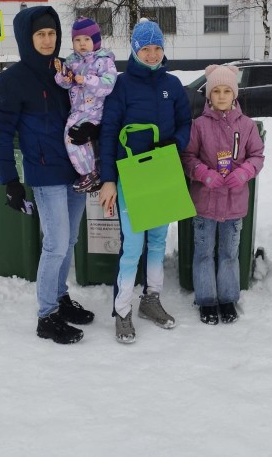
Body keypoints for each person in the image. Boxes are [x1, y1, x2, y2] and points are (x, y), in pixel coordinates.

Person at [0, 5, 94, 345]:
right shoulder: (12, 80)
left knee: (70, 241)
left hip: (75, 170)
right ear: (26, 38)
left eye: (51, 33)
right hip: (44, 173)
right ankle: (46, 315)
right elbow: (0, 133)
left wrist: (90, 129)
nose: (48, 40)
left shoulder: (66, 71)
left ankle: (60, 298)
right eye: (40, 35)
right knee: (56, 244)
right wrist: (10, 181)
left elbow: (88, 107)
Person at [98, 19, 192, 344]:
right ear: (135, 50)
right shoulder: (121, 86)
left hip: (162, 173)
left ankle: (150, 300)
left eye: (157, 48)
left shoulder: (173, 85)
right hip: (131, 176)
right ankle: (122, 309)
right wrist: (108, 180)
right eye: (145, 49)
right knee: (133, 246)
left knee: (157, 243)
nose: (152, 55)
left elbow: (185, 122)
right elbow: (108, 133)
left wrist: (176, 144)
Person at [181, 65, 264, 325]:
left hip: (234, 202)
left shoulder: (247, 126)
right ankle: (206, 301)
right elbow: (188, 157)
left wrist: (245, 173)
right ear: (209, 95)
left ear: (234, 94)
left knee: (229, 252)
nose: (221, 95)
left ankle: (228, 298)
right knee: (204, 252)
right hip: (205, 202)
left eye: (227, 90)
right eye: (216, 91)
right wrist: (203, 173)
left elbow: (257, 156)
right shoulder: (199, 126)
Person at [54, 17, 118, 193]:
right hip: (77, 110)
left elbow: (108, 84)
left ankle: (89, 172)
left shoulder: (104, 61)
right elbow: (64, 83)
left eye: (86, 39)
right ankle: (90, 172)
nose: (82, 44)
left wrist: (87, 80)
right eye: (77, 40)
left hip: (96, 111)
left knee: (78, 138)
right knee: (74, 138)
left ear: (95, 41)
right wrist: (64, 77)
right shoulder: (71, 61)